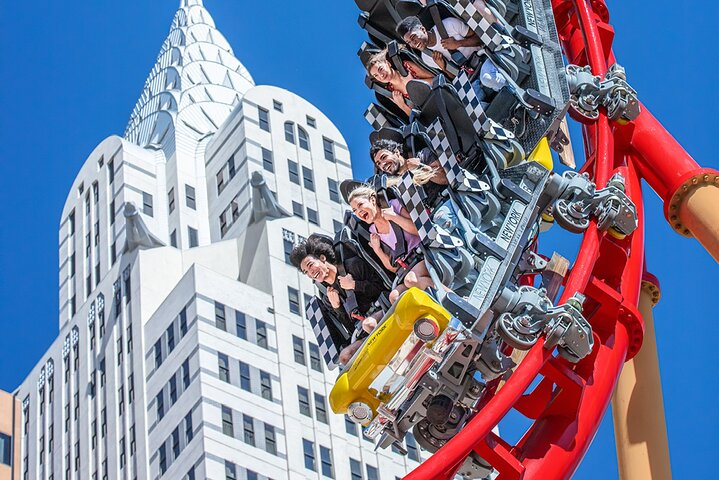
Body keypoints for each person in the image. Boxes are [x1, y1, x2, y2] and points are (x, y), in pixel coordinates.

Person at [290, 234, 386, 365]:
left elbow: (382, 286)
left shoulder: (353, 266)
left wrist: (355, 285)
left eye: (310, 265)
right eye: (306, 272)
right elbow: (351, 329)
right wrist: (337, 307)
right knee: (345, 357)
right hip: (365, 330)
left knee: (368, 324)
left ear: (322, 258)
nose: (310, 273)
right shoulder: (328, 298)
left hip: (383, 311)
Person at [346, 185, 437, 303]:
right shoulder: (373, 232)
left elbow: (419, 230)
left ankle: (454, 301)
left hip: (425, 252)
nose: (358, 212)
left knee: (411, 280)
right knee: (394, 297)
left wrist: (394, 217)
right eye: (355, 210)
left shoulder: (394, 205)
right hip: (407, 268)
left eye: (360, 205)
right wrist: (377, 250)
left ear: (372, 200)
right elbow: (393, 268)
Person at [396, 15, 507, 100]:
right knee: (471, 104)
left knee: (487, 78)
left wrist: (459, 43)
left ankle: (519, 96)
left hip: (485, 57)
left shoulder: (448, 25)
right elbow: (456, 76)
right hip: (471, 75)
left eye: (413, 37)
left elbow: (481, 39)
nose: (413, 43)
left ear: (423, 29)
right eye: (409, 42)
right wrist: (443, 67)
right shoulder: (427, 57)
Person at [366, 48, 436, 116]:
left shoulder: (407, 67)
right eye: (376, 75)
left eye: (381, 69)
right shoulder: (391, 93)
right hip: (429, 113)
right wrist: (402, 105)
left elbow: (435, 78)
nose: (381, 75)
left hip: (437, 95)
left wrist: (417, 85)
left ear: (388, 63)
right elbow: (415, 117)